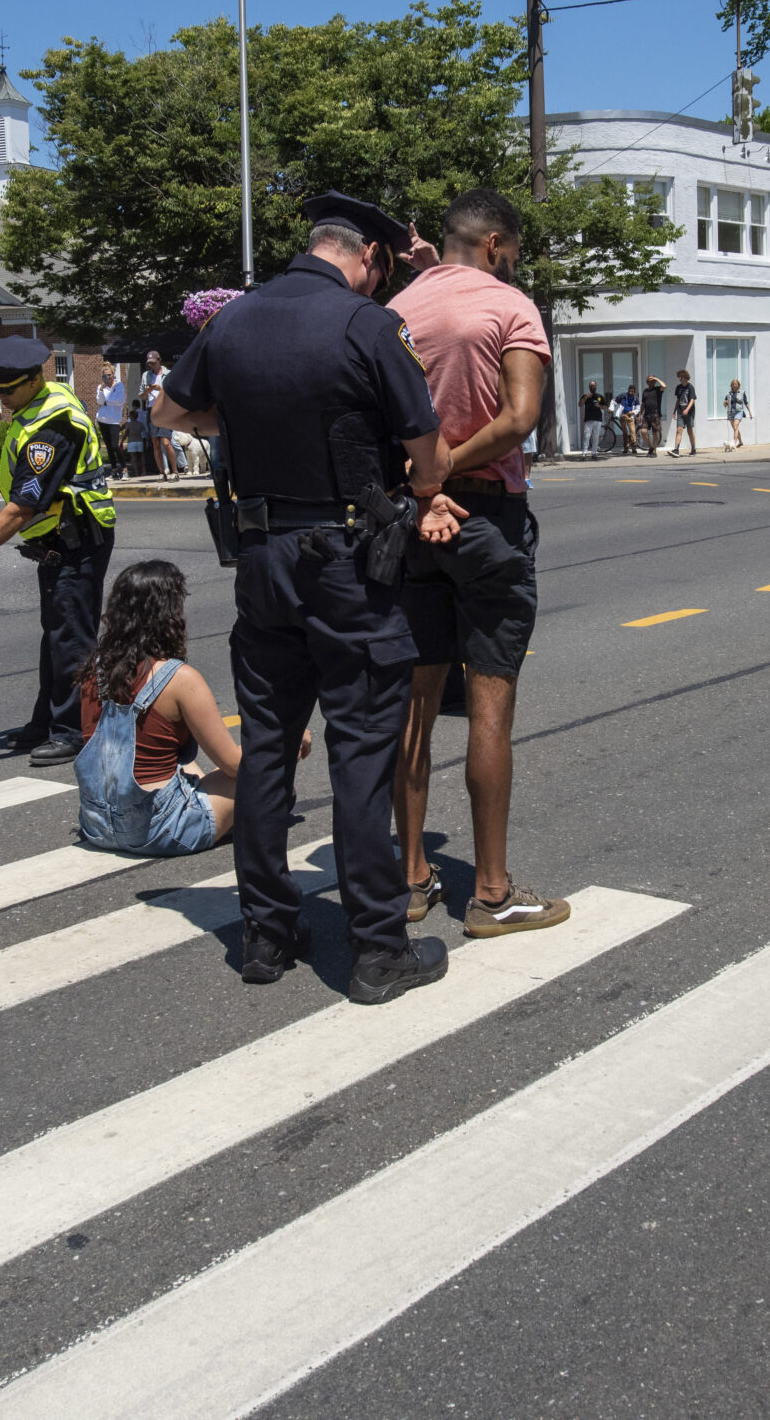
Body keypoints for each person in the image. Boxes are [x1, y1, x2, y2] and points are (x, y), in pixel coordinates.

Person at [154, 188, 457, 1004]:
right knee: (360, 750)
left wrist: (250, 424)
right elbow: (427, 460)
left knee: (269, 746)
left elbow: (169, 410)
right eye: (380, 268)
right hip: (349, 564)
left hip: (263, 561)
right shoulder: (367, 325)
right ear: (367, 258)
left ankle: (265, 932)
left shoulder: (234, 321)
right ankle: (377, 948)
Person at [390, 188, 572, 937]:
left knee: (414, 703)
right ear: (496, 243)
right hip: (485, 519)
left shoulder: (394, 310)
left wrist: (420, 481)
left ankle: (409, 878)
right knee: (489, 705)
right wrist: (446, 467)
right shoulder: (509, 305)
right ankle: (492, 892)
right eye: (514, 253)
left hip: (408, 522)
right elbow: (520, 417)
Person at [74, 559, 307, 856]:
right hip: (158, 829)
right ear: (169, 614)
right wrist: (292, 742)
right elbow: (236, 765)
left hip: (97, 825)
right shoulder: (178, 678)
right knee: (276, 784)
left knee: (184, 765)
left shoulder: (94, 671)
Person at [0, 337, 115, 766]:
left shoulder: (54, 424)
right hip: (58, 541)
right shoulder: (40, 403)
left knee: (73, 639)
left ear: (33, 380)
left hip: (78, 540)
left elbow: (23, 507)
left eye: (7, 392)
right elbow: (24, 468)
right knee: (56, 637)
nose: (2, 400)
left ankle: (75, 731)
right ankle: (46, 723)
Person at [141, 349, 176, 477]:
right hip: (152, 410)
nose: (151, 366)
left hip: (164, 409)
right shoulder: (146, 375)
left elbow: (173, 392)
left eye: (153, 363)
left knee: (166, 442)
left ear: (159, 360)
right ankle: (162, 472)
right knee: (155, 443)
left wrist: (159, 389)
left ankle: (175, 471)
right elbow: (142, 396)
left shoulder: (169, 374)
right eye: (149, 364)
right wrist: (147, 391)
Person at [94, 367, 128, 475]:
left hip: (114, 420)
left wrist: (106, 402)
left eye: (109, 375)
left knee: (115, 445)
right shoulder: (101, 387)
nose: (107, 377)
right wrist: (101, 391)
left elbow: (120, 401)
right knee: (108, 446)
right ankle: (114, 470)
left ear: (113, 374)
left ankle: (124, 468)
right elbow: (99, 401)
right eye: (105, 375)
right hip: (102, 418)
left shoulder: (119, 385)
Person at [667, 368, 698, 456]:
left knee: (689, 430)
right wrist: (674, 411)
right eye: (679, 377)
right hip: (680, 411)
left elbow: (692, 400)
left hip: (689, 412)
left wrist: (687, 409)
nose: (680, 379)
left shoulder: (690, 387)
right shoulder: (678, 387)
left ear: (685, 377)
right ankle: (676, 450)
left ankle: (693, 449)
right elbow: (678, 400)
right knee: (679, 430)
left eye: (681, 377)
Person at [639, 373, 666, 453]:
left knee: (655, 433)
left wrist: (656, 378)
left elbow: (664, 386)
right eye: (650, 381)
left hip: (655, 414)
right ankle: (650, 447)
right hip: (646, 414)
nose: (652, 382)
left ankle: (654, 450)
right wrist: (640, 414)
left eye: (653, 381)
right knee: (643, 431)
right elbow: (643, 403)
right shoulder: (645, 391)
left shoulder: (658, 389)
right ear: (647, 382)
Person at [579, 382, 606, 457]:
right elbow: (580, 404)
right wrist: (585, 398)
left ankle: (594, 453)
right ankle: (584, 453)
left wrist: (599, 406)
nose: (592, 387)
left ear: (596, 387)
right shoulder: (585, 396)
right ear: (589, 387)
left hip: (597, 419)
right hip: (588, 419)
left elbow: (605, 406)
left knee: (596, 436)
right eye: (591, 386)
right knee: (586, 436)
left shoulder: (599, 396)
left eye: (593, 386)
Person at [723, 379, 749, 449]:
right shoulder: (728, 394)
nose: (735, 385)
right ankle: (740, 442)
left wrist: (750, 412)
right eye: (734, 384)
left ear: (738, 385)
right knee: (735, 428)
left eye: (736, 384)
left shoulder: (742, 392)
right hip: (731, 412)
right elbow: (725, 404)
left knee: (735, 426)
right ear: (731, 385)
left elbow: (746, 402)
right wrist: (725, 403)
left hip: (739, 411)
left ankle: (734, 443)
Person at [613, 383, 640, 453]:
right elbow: (614, 401)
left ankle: (634, 447)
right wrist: (611, 408)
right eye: (629, 391)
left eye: (632, 391)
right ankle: (626, 448)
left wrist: (633, 412)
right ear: (628, 390)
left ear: (634, 391)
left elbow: (638, 409)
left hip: (630, 417)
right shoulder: (623, 396)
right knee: (625, 433)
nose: (630, 393)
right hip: (623, 416)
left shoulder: (635, 398)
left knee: (633, 432)